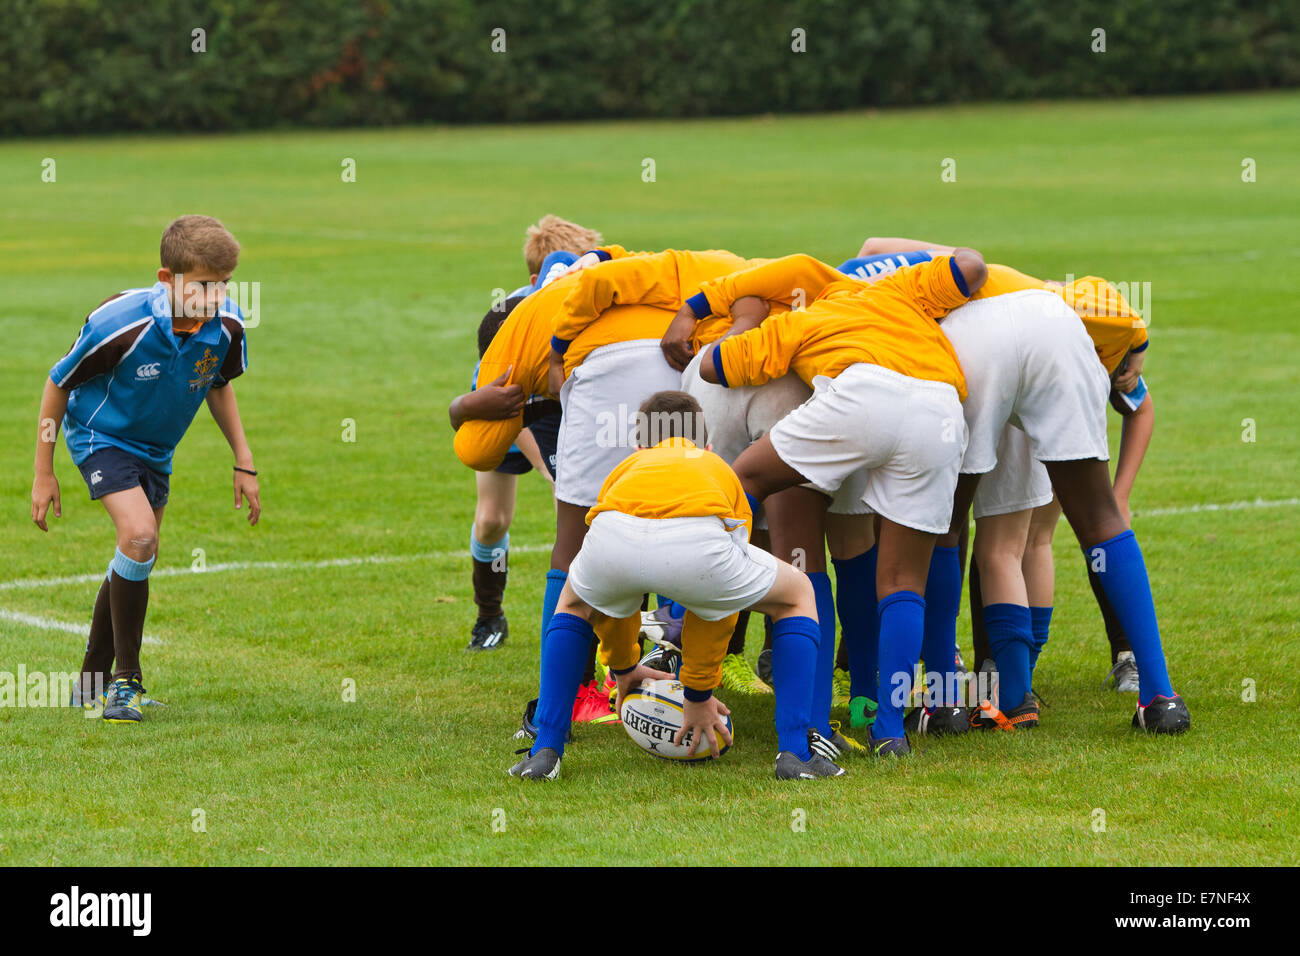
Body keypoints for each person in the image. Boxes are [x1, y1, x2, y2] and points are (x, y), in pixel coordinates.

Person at [508, 391, 842, 781]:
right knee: (798, 594)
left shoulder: (627, 468)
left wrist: (624, 667)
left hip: (613, 536)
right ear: (707, 445)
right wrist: (697, 693)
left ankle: (544, 749)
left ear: (639, 445)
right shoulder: (717, 467)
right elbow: (716, 607)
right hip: (698, 543)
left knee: (573, 605)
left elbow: (613, 603)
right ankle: (795, 753)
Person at [30, 215, 260, 723]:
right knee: (139, 537)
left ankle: (90, 682)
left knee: (136, 556)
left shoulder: (227, 325)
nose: (214, 296)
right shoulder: (121, 322)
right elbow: (58, 383)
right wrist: (44, 472)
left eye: (224, 284)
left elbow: (219, 384)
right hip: (100, 436)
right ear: (167, 279)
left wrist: (244, 461)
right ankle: (125, 684)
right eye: (203, 284)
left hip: (156, 451)